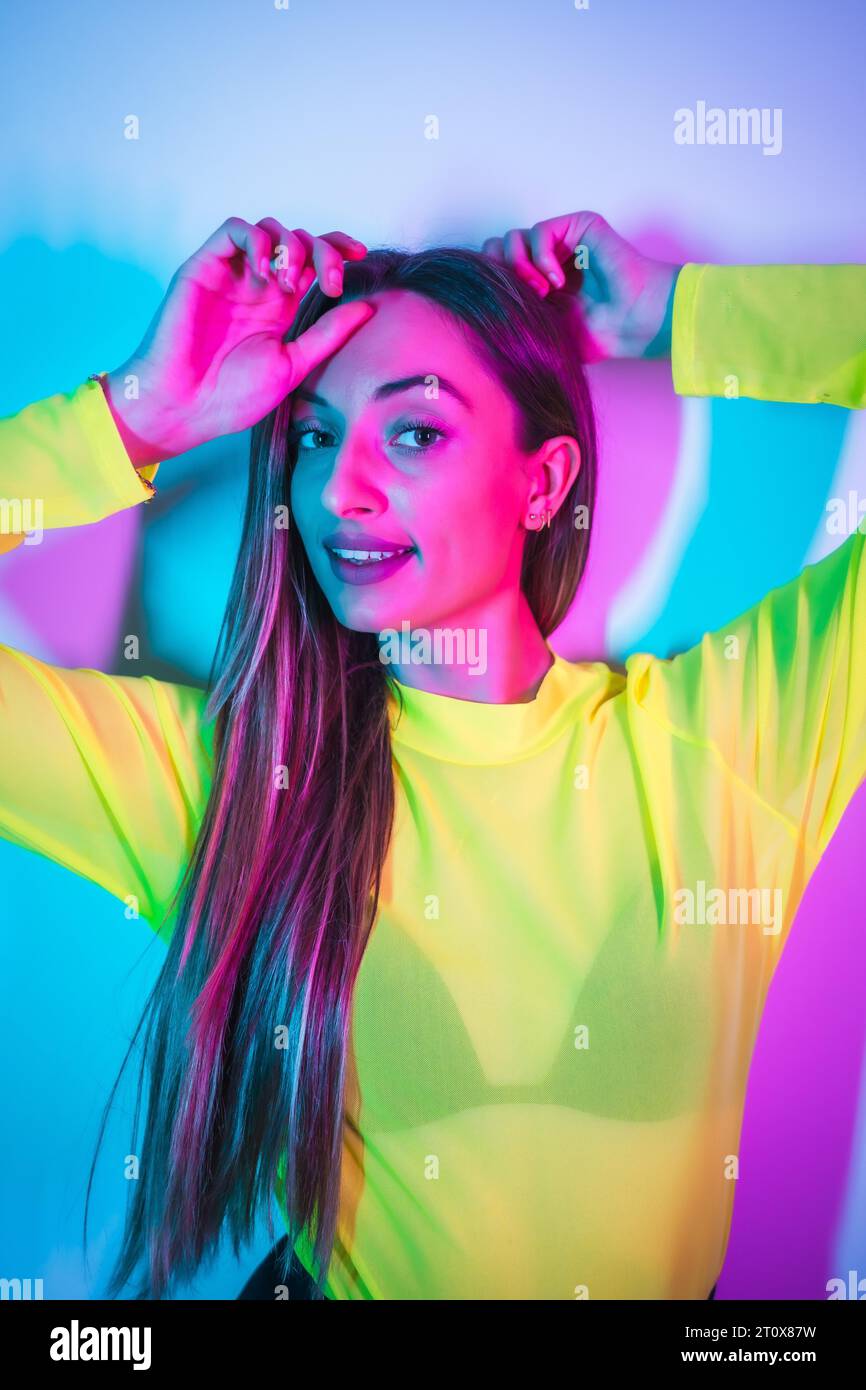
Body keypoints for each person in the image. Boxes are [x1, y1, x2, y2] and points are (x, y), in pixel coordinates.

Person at [0, 214, 863, 1301]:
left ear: (542, 483)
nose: (338, 490)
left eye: (414, 432)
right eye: (313, 436)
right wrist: (136, 416)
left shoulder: (727, 738)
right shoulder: (238, 782)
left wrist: (680, 315)